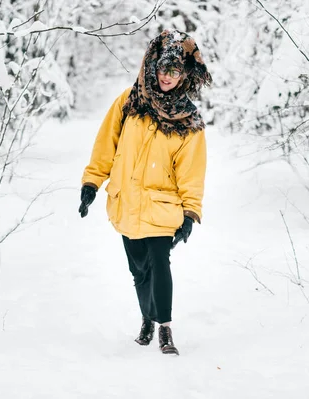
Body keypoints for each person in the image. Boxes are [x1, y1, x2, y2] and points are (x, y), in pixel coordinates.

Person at [78, 29, 211, 355]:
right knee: (138, 269)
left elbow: (192, 171)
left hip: (164, 206)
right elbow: (105, 145)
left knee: (159, 262)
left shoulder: (188, 120)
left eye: (175, 71)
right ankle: (147, 319)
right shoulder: (129, 102)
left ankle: (165, 328)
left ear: (184, 74)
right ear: (153, 68)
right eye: (163, 69)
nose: (167, 77)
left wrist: (190, 213)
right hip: (126, 202)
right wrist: (91, 183)